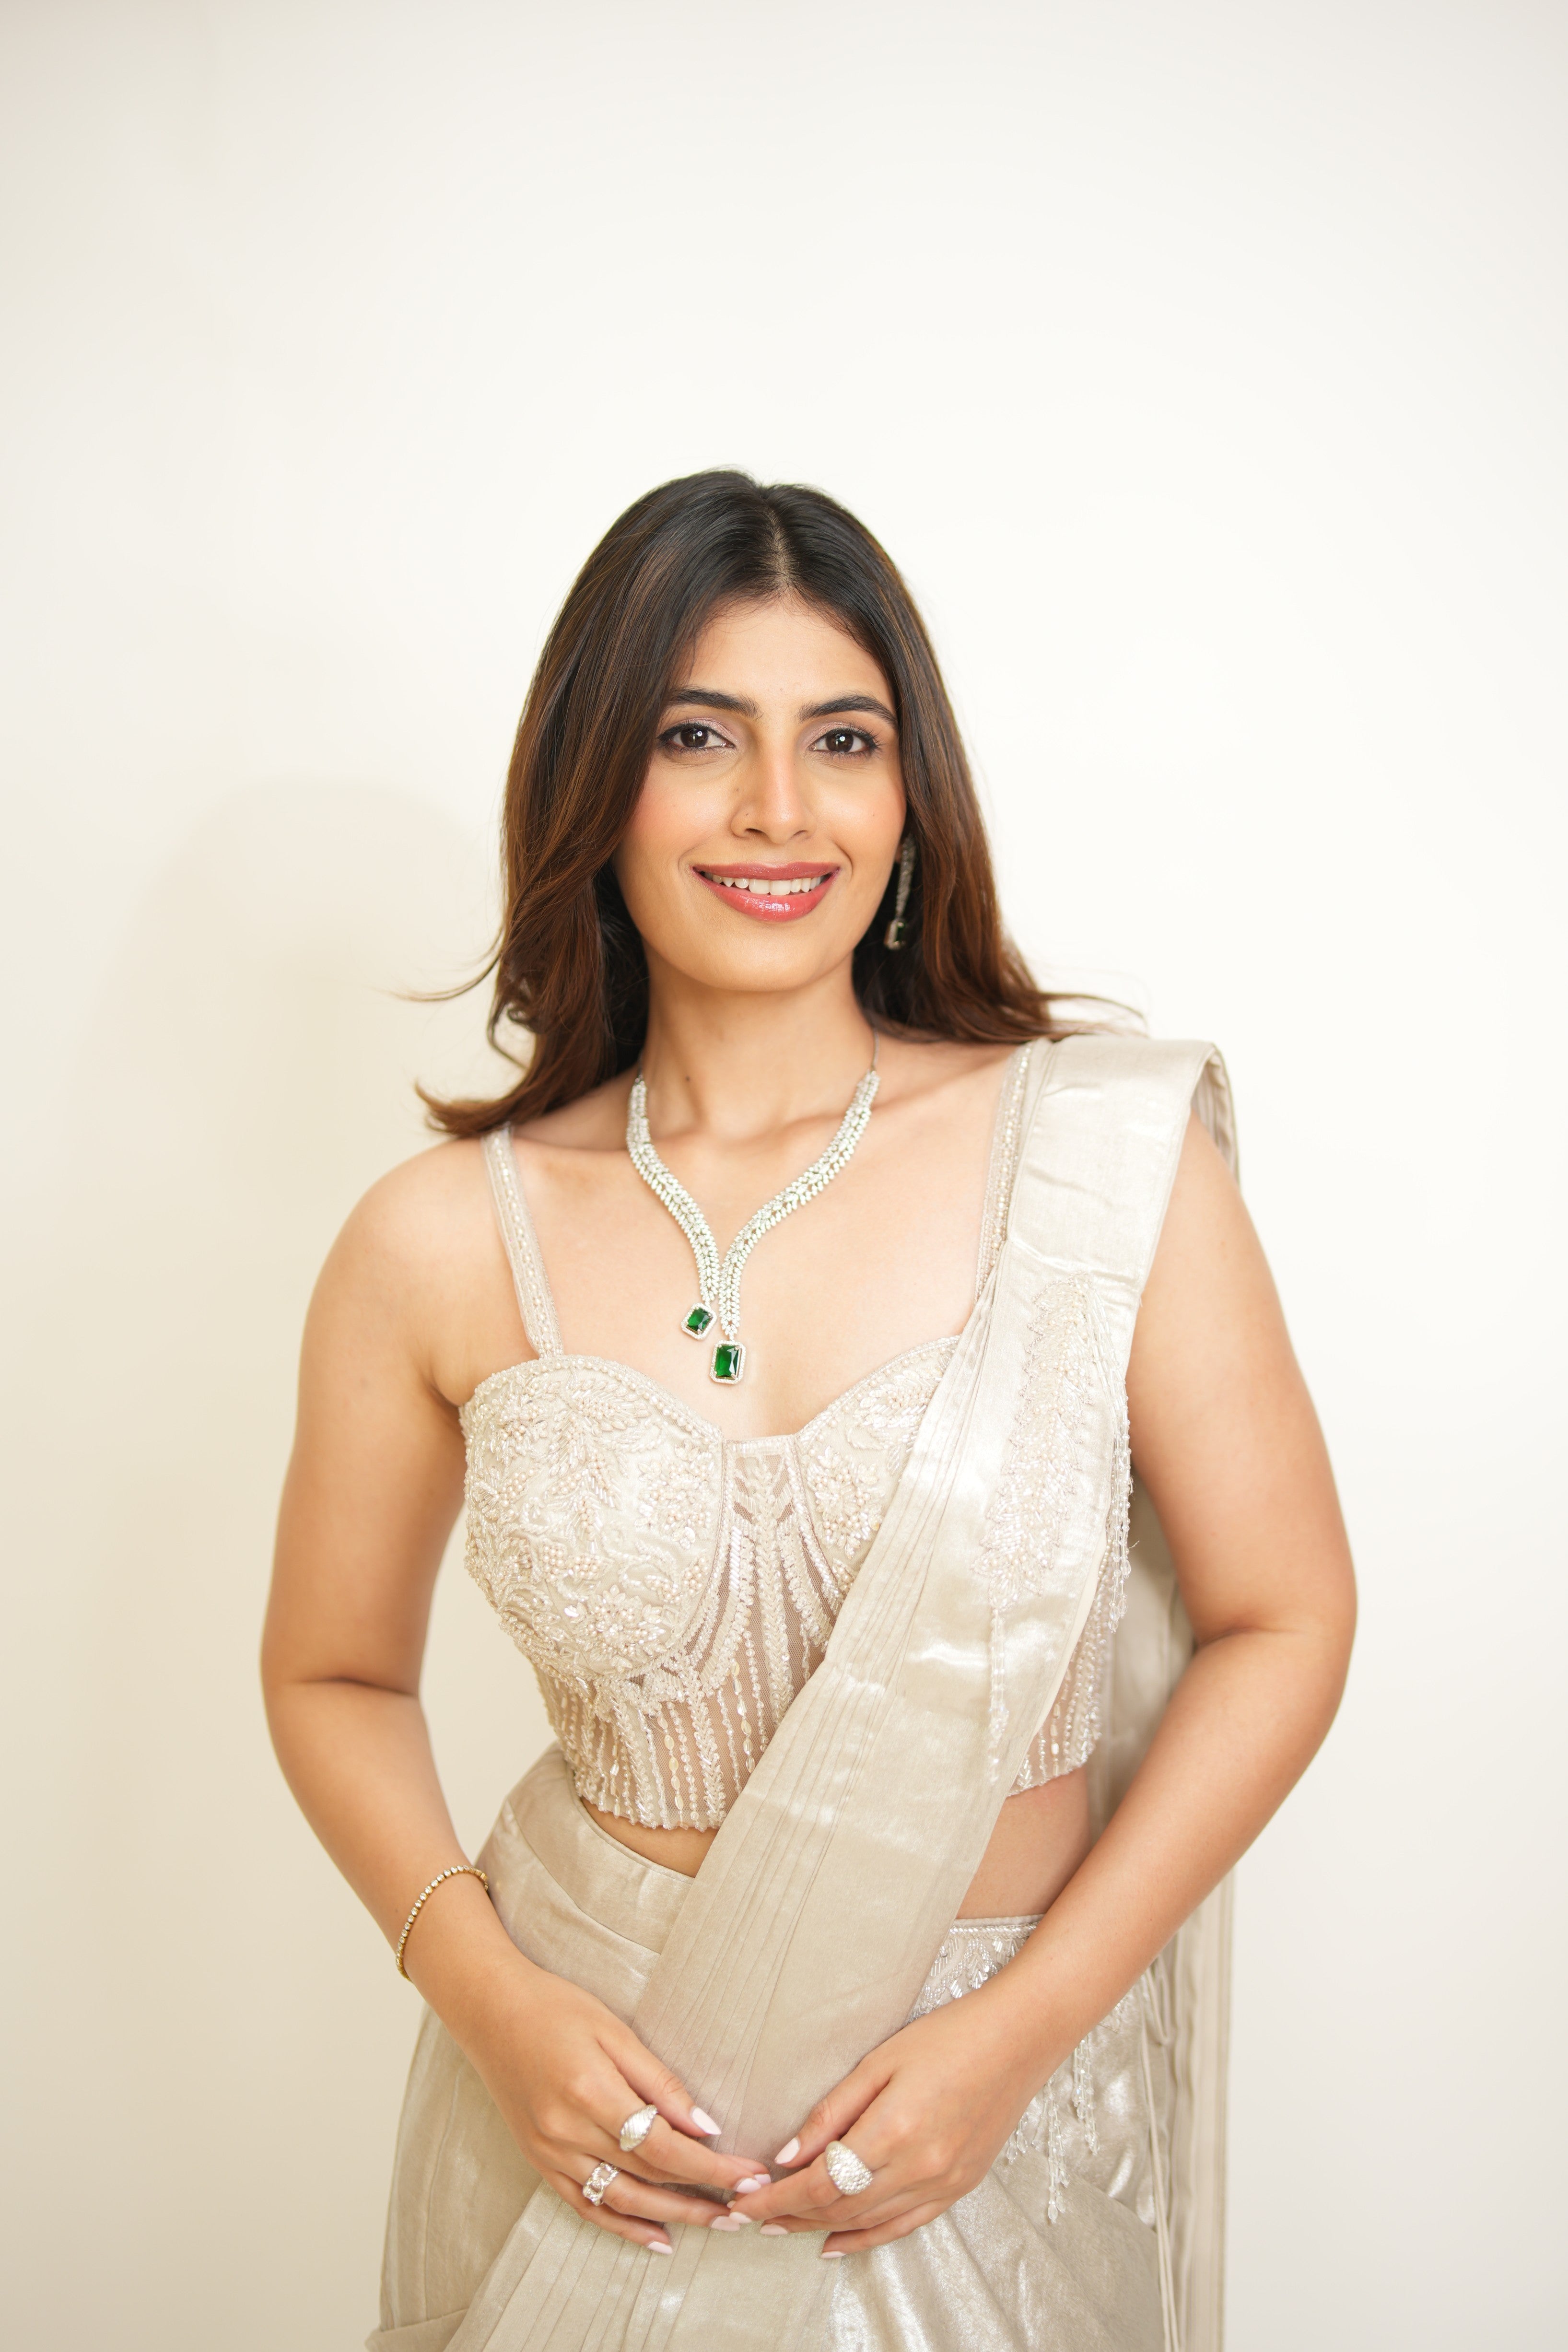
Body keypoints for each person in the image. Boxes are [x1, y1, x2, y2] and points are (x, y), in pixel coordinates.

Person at [262, 471, 1356, 2352]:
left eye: (839, 739)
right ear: (594, 785)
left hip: (978, 2124)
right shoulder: (433, 1243)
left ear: (906, 794)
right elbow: (330, 1676)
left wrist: (1014, 2040)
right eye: (700, 737)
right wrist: (490, 2003)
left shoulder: (1098, 1164)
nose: (779, 807)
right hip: (582, 2135)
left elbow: (1284, 1618)